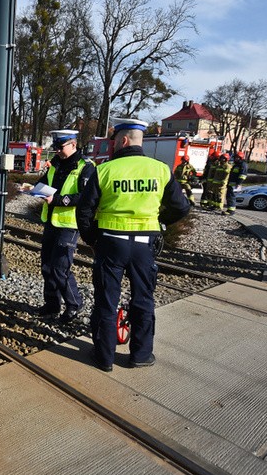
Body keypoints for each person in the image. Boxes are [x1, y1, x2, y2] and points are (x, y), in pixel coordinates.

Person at [76, 118, 191, 371]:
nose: (112, 145)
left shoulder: (105, 170)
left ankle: (104, 358)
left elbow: (84, 211)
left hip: (111, 243)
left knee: (107, 301)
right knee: (143, 299)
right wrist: (159, 222)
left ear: (123, 140)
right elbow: (182, 207)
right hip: (144, 246)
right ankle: (141, 355)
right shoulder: (160, 169)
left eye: (114, 141)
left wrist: (92, 240)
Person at [31, 129, 95, 324]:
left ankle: (74, 304)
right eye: (56, 147)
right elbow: (43, 183)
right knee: (47, 266)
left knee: (60, 268)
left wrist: (58, 199)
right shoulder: (56, 163)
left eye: (61, 147)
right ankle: (52, 304)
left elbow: (86, 196)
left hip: (69, 224)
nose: (57, 151)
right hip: (51, 221)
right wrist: (31, 189)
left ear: (73, 144)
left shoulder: (86, 166)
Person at [224, 151, 248, 215]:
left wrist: (238, 183)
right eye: (235, 157)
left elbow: (243, 175)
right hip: (231, 184)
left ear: (241, 158)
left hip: (235, 185)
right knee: (229, 197)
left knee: (232, 197)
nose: (235, 159)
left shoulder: (243, 165)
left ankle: (231, 211)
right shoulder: (236, 165)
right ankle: (229, 209)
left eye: (237, 157)